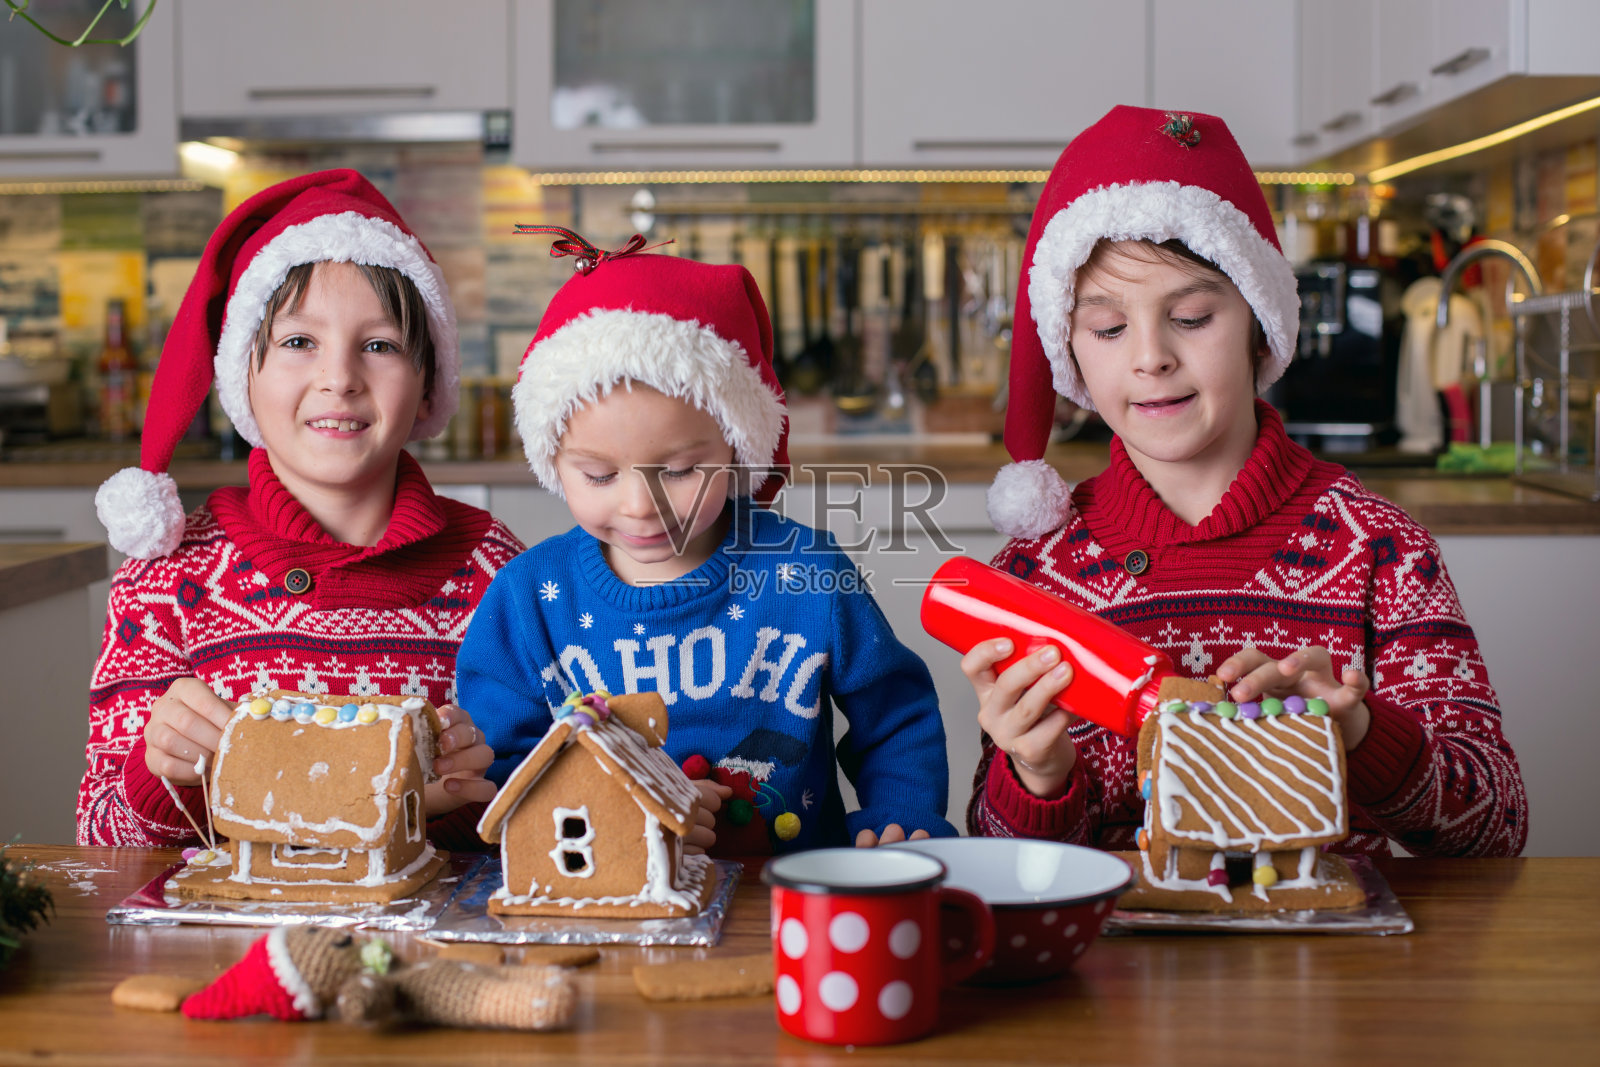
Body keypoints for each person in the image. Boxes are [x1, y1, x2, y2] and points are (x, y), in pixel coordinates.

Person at [963, 106, 1526, 858]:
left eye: (1191, 317)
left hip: (1336, 970)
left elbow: (1496, 826)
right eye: (1107, 328)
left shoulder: (1382, 552)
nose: (1150, 356)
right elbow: (998, 849)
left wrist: (1358, 733)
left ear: (1261, 320)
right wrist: (1038, 773)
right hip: (1121, 974)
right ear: (1069, 349)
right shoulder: (1037, 575)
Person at [456, 233, 954, 855]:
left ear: (737, 450)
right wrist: (624, 809)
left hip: (786, 901)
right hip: (612, 911)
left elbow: (895, 715)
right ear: (552, 461)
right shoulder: (530, 600)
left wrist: (900, 814)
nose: (641, 506)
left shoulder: (804, 571)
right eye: (600, 476)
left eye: (680, 471)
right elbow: (504, 770)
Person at [79, 170, 524, 848]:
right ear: (241, 374)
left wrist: (461, 800)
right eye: (298, 342)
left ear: (429, 379)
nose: (339, 377)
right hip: (229, 950)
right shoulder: (166, 579)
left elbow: (543, 817)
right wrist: (162, 773)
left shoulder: (496, 571)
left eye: (379, 344)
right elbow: (99, 836)